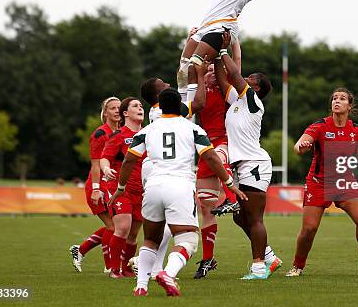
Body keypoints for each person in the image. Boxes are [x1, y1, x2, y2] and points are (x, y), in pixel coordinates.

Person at [108, 88, 247, 297]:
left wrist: (120, 188)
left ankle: (141, 286)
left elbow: (129, 159)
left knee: (150, 240)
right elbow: (210, 157)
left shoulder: (147, 130)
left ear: (160, 107)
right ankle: (168, 273)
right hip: (180, 187)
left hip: (153, 187)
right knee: (188, 241)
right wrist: (229, 183)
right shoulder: (192, 129)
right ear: (180, 107)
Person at [285, 88, 358, 278]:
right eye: (334, 98)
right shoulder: (320, 126)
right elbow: (298, 146)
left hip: (345, 182)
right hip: (318, 183)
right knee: (309, 229)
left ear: (350, 105)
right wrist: (302, 146)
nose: (337, 101)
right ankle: (298, 266)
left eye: (342, 98)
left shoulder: (356, 131)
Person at [214, 31, 281, 279]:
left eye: (249, 79)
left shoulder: (253, 101)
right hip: (243, 166)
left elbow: (232, 74)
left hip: (254, 164)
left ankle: (258, 267)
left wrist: (223, 51)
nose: (244, 78)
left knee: (254, 218)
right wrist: (213, 56)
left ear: (256, 88)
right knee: (240, 218)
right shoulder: (238, 101)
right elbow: (223, 79)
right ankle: (271, 258)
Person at [193, 63, 239, 279]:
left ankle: (231, 198)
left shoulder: (228, 88)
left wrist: (229, 44)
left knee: (219, 158)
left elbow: (235, 61)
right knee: (206, 207)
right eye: (208, 70)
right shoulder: (199, 92)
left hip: (226, 141)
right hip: (205, 148)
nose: (212, 73)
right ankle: (207, 259)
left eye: (215, 70)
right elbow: (188, 69)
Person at [69, 96, 120, 274]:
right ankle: (108, 266)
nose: (116, 111)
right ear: (105, 112)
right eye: (112, 108)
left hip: (113, 185)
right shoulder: (100, 133)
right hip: (98, 185)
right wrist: (97, 189)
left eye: (118, 108)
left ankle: (81, 249)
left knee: (116, 226)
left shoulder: (122, 132)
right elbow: (96, 165)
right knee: (113, 227)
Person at [99, 97, 145, 278]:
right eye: (135, 106)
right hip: (121, 188)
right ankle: (114, 269)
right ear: (125, 113)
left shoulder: (149, 134)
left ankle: (126, 268)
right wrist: (106, 168)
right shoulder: (118, 135)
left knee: (133, 234)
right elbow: (104, 157)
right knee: (123, 227)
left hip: (142, 190)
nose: (140, 108)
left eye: (141, 105)